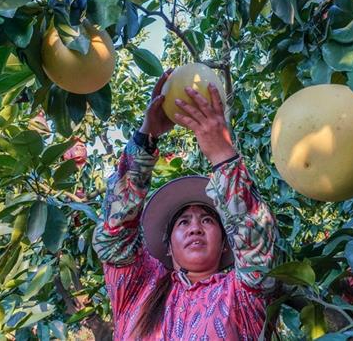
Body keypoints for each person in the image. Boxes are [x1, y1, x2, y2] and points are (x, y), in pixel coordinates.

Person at [92, 70, 278, 340]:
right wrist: (147, 135)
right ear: (167, 246)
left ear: (226, 242)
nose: (195, 229)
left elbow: (258, 250)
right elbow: (114, 234)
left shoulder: (241, 296)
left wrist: (222, 154)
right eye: (183, 222)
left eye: (207, 220)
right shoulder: (140, 290)